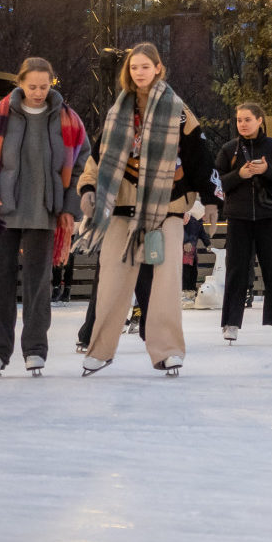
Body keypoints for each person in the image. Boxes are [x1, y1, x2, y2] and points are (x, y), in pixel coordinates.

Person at [76, 43, 222, 377]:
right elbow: (100, 155)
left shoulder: (177, 109)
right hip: (122, 205)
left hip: (166, 205)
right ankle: (100, 349)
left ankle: (168, 350)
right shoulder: (118, 109)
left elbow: (199, 154)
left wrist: (212, 198)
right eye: (134, 67)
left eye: (145, 66)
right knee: (112, 279)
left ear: (158, 68)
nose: (139, 72)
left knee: (166, 280)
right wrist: (87, 186)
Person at [0, 58, 91, 377]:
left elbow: (83, 165)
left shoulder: (68, 120)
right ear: (20, 82)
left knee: (38, 286)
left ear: (52, 84)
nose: (37, 92)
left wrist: (69, 207)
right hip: (3, 211)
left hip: (44, 212)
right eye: (31, 86)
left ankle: (35, 349)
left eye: (44, 86)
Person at [215, 103, 272, 344]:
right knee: (236, 270)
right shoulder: (229, 149)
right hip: (238, 218)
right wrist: (238, 176)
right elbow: (215, 185)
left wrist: (268, 170)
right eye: (239, 120)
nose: (243, 124)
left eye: (248, 119)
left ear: (260, 120)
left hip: (268, 217)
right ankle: (231, 323)